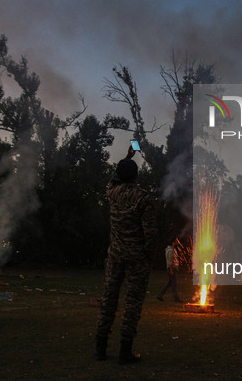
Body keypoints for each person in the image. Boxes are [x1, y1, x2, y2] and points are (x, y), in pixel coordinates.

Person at [95, 147, 158, 364]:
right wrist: (148, 256)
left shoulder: (112, 193)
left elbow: (112, 181)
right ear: (136, 176)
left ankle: (100, 348)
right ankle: (125, 351)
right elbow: (150, 233)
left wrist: (125, 157)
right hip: (136, 259)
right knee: (132, 303)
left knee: (108, 300)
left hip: (115, 257)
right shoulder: (143, 198)